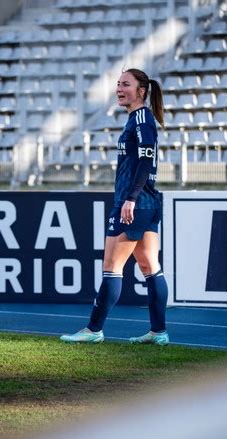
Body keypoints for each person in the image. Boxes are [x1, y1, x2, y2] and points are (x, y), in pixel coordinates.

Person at [60, 68, 169, 346]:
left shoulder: (142, 119)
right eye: (118, 84)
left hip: (134, 203)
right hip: (147, 203)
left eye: (126, 85)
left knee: (112, 266)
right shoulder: (137, 119)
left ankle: (93, 330)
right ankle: (159, 333)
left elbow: (146, 161)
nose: (119, 89)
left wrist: (130, 198)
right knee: (149, 266)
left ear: (141, 91)